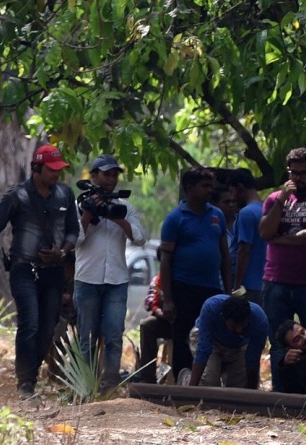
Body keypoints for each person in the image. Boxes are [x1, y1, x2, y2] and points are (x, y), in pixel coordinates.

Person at [0, 144, 80, 398]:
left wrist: (63, 252)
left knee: (48, 326)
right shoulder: (17, 197)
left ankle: (29, 373)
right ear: (37, 168)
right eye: (51, 169)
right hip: (24, 269)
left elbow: (73, 231)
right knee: (30, 322)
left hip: (54, 270)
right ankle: (26, 383)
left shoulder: (65, 195)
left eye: (59, 169)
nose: (56, 174)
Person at [258, 147, 306, 391]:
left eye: (303, 173)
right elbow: (264, 232)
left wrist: (279, 239)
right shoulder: (274, 199)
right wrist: (282, 199)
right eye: (293, 173)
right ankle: (282, 395)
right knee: (279, 343)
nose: (297, 178)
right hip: (276, 280)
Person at [73, 154, 146, 392]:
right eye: (106, 174)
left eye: (115, 174)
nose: (111, 179)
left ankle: (110, 384)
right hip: (87, 278)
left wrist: (118, 218)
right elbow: (75, 240)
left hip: (117, 280)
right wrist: (88, 213)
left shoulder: (125, 207)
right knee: (87, 336)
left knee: (114, 334)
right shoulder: (80, 205)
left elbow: (140, 238)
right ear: (93, 176)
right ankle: (87, 384)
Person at [160, 167, 231, 381]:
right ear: (190, 189)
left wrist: (227, 292)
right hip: (184, 288)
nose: (210, 190)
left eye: (211, 186)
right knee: (183, 338)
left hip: (212, 289)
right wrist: (168, 299)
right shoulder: (175, 218)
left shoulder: (217, 215)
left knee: (211, 337)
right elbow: (166, 260)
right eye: (205, 186)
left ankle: (208, 382)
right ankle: (182, 384)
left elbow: (225, 256)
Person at [179, 295, 268, 389]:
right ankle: (186, 380)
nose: (239, 330)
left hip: (238, 346)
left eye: (242, 326)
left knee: (238, 389)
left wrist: (251, 392)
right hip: (209, 339)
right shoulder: (211, 308)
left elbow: (253, 359)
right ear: (223, 317)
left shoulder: (260, 321)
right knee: (209, 382)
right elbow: (203, 349)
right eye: (234, 326)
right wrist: (191, 388)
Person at [227, 168, 266, 306]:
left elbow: (244, 250)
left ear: (240, 188)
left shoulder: (246, 213)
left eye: (232, 192)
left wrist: (236, 286)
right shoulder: (266, 210)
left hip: (248, 285)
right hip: (264, 283)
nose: (233, 198)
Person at [137, 248, 172, 384]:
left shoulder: (184, 275)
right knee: (147, 325)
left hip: (185, 323)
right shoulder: (159, 279)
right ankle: (147, 378)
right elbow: (150, 301)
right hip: (166, 321)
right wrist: (160, 312)